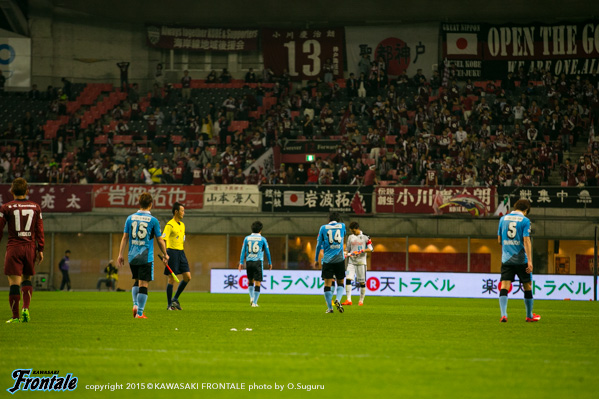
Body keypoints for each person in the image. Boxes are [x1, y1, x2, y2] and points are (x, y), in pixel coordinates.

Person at [117, 192, 168, 319]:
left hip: (132, 256)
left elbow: (125, 237)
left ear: (139, 203)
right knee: (144, 284)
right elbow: (160, 240)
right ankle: (139, 313)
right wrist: (165, 254)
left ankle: (135, 304)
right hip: (145, 257)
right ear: (151, 204)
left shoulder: (130, 218)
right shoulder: (153, 221)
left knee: (136, 280)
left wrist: (120, 254)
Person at [0, 178, 44, 323]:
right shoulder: (36, 207)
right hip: (30, 248)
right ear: (27, 191)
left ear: (11, 191)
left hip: (14, 247)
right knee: (27, 279)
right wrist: (40, 249)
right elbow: (39, 230)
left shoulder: (6, 208)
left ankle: (15, 316)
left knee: (14, 283)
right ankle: (26, 307)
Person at [497, 199, 541, 323]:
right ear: (526, 210)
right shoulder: (525, 221)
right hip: (522, 260)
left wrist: (508, 247)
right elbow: (526, 240)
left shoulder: (503, 219)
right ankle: (529, 315)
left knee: (504, 286)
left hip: (507, 260)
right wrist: (530, 261)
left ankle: (504, 315)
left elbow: (499, 240)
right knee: (527, 286)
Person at [313, 212, 346, 314]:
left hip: (327, 260)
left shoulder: (323, 228)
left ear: (329, 220)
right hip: (340, 259)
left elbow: (319, 245)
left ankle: (330, 308)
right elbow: (343, 237)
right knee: (340, 282)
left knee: (327, 284)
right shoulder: (342, 226)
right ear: (338, 220)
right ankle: (338, 300)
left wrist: (316, 259)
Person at [163, 202, 191, 310]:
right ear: (176, 212)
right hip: (172, 253)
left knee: (187, 277)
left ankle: (175, 299)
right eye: (182, 210)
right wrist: (165, 254)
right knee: (171, 279)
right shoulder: (169, 225)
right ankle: (169, 304)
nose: (184, 213)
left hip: (181, 253)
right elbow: (163, 239)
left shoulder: (182, 225)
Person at [238, 221, 272, 307]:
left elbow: (243, 251)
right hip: (258, 262)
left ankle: (251, 297)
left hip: (249, 262)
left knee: (250, 280)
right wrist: (270, 262)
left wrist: (241, 262)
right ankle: (255, 303)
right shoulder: (263, 239)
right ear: (260, 230)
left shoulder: (247, 238)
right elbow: (267, 252)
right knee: (257, 282)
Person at [343, 222, 373, 306]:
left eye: (354, 231)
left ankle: (361, 301)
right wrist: (346, 253)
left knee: (362, 282)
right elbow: (347, 249)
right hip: (351, 262)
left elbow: (371, 248)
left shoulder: (365, 237)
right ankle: (348, 300)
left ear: (358, 228)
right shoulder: (350, 237)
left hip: (361, 262)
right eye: (351, 231)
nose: (352, 233)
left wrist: (361, 251)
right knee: (348, 279)